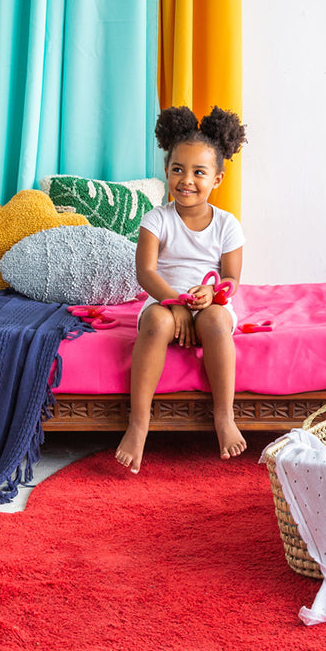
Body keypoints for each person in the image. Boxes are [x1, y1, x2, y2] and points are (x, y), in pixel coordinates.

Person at [114, 105, 248, 474]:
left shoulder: (226, 225)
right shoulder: (156, 219)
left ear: (217, 179)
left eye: (199, 172)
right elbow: (145, 272)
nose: (186, 180)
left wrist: (213, 296)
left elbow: (232, 278)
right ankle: (138, 423)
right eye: (178, 170)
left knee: (218, 323)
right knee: (156, 325)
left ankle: (224, 415)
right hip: (163, 299)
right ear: (166, 171)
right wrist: (174, 304)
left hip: (208, 302)